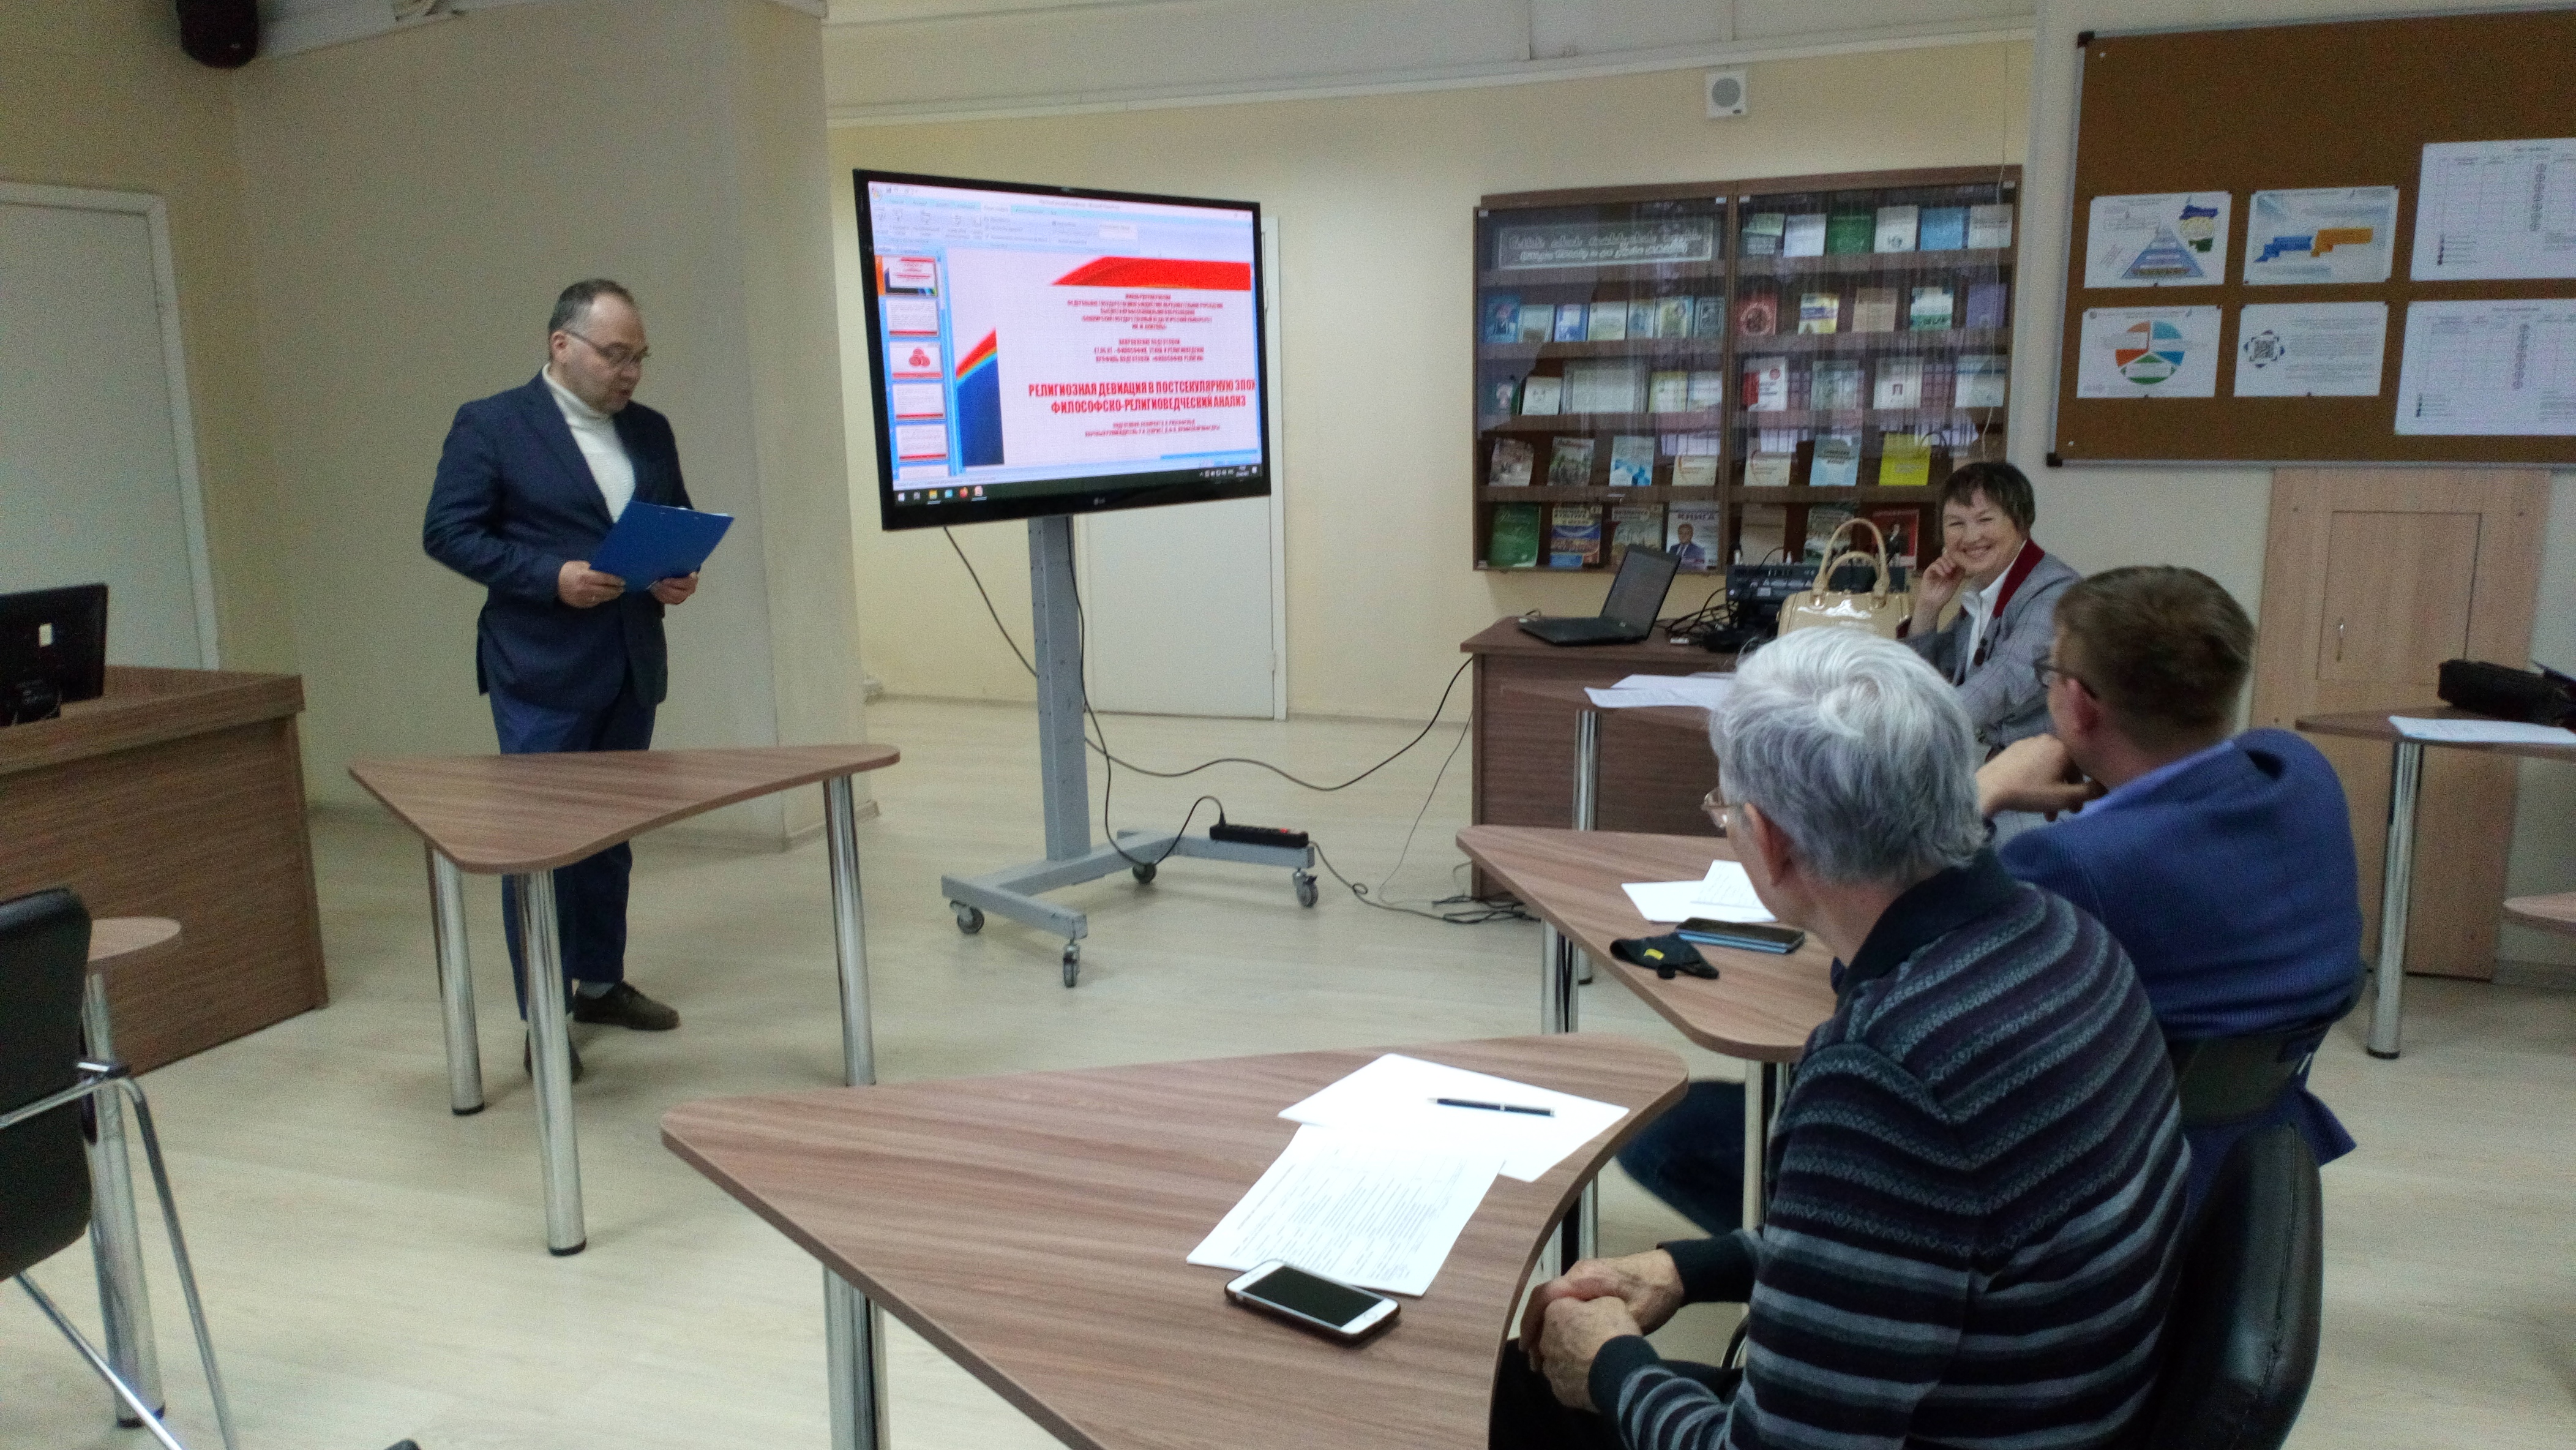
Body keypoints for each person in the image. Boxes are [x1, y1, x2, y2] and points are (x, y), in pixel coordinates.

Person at [1496, 629, 2187, 1450]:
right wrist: (1689, 1267)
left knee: (1502, 1395)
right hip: (2056, 1405)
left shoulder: (1885, 1077)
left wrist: (1606, 1363)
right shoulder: (2068, 937)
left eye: (1724, 811)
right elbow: (1909, 1243)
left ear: (1770, 840)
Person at [1977, 565, 2362, 1204]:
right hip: (2260, 1162)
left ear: (2079, 704)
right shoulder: (2300, 774)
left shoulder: (2070, 865)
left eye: (2051, 673)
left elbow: (1893, 983)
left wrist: (1980, 792)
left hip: (2105, 1189)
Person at [423, 279, 698, 1073]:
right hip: (540, 669)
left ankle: (601, 984)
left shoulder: (649, 429)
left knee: (609, 836)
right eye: (616, 355)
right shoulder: (492, 426)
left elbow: (675, 516)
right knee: (540, 848)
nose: (631, 372)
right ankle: (544, 1015)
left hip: (630, 661)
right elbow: (449, 532)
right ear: (561, 345)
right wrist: (551, 577)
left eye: (639, 357)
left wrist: (679, 571)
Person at [1900, 461, 2079, 751]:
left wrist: (1904, 728)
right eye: (1956, 523)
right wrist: (1928, 607)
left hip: (2042, 765)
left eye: (1985, 520)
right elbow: (1929, 677)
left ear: (2021, 523)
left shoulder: (2054, 591)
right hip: (1989, 756)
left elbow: (2006, 680)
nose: (1971, 537)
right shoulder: (1985, 586)